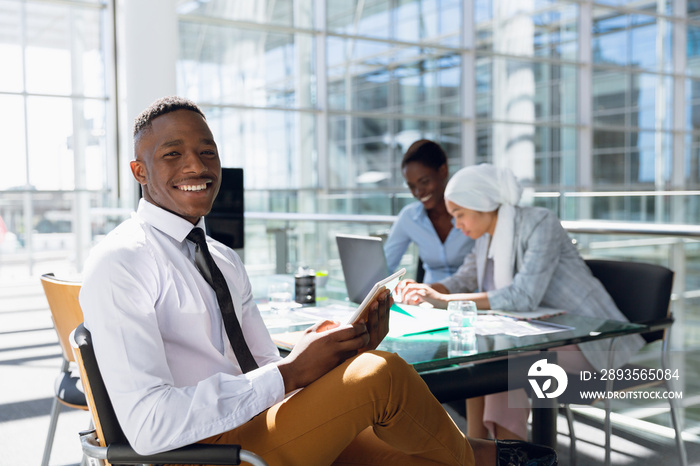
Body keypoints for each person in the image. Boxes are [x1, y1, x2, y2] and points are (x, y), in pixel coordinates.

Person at [78, 97, 557, 466]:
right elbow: (147, 426)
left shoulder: (223, 258)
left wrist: (322, 353)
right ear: (139, 171)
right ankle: (482, 457)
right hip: (203, 451)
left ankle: (481, 455)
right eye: (173, 154)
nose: (197, 167)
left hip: (254, 424)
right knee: (381, 375)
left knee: (412, 448)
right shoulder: (122, 261)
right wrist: (291, 372)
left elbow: (262, 365)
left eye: (208, 152)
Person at [396, 163, 645, 442]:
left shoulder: (540, 222)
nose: (457, 224)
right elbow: (464, 278)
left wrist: (443, 300)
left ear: (482, 204)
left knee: (502, 361)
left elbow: (523, 296)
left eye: (460, 214)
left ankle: (508, 452)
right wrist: (424, 290)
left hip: (591, 340)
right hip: (539, 336)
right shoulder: (485, 237)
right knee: (486, 357)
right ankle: (478, 447)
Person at [384, 140, 474, 283]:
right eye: (412, 186)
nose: (418, 192)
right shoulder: (409, 217)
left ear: (443, 171)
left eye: (424, 181)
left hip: (471, 301)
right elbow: (385, 266)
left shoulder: (473, 212)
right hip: (426, 300)